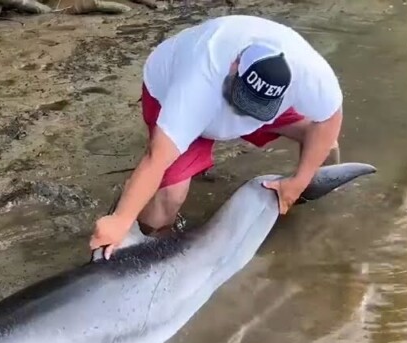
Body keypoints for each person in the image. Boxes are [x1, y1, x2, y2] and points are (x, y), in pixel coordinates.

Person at [89, 14, 344, 258]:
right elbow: (156, 158)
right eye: (244, 100)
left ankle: (302, 201)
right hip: (174, 93)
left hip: (251, 103)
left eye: (257, 106)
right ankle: (142, 245)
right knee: (167, 202)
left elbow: (330, 119)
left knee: (324, 146)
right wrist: (121, 220)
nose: (243, 112)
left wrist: (300, 180)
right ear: (234, 65)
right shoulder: (197, 83)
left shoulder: (311, 76)